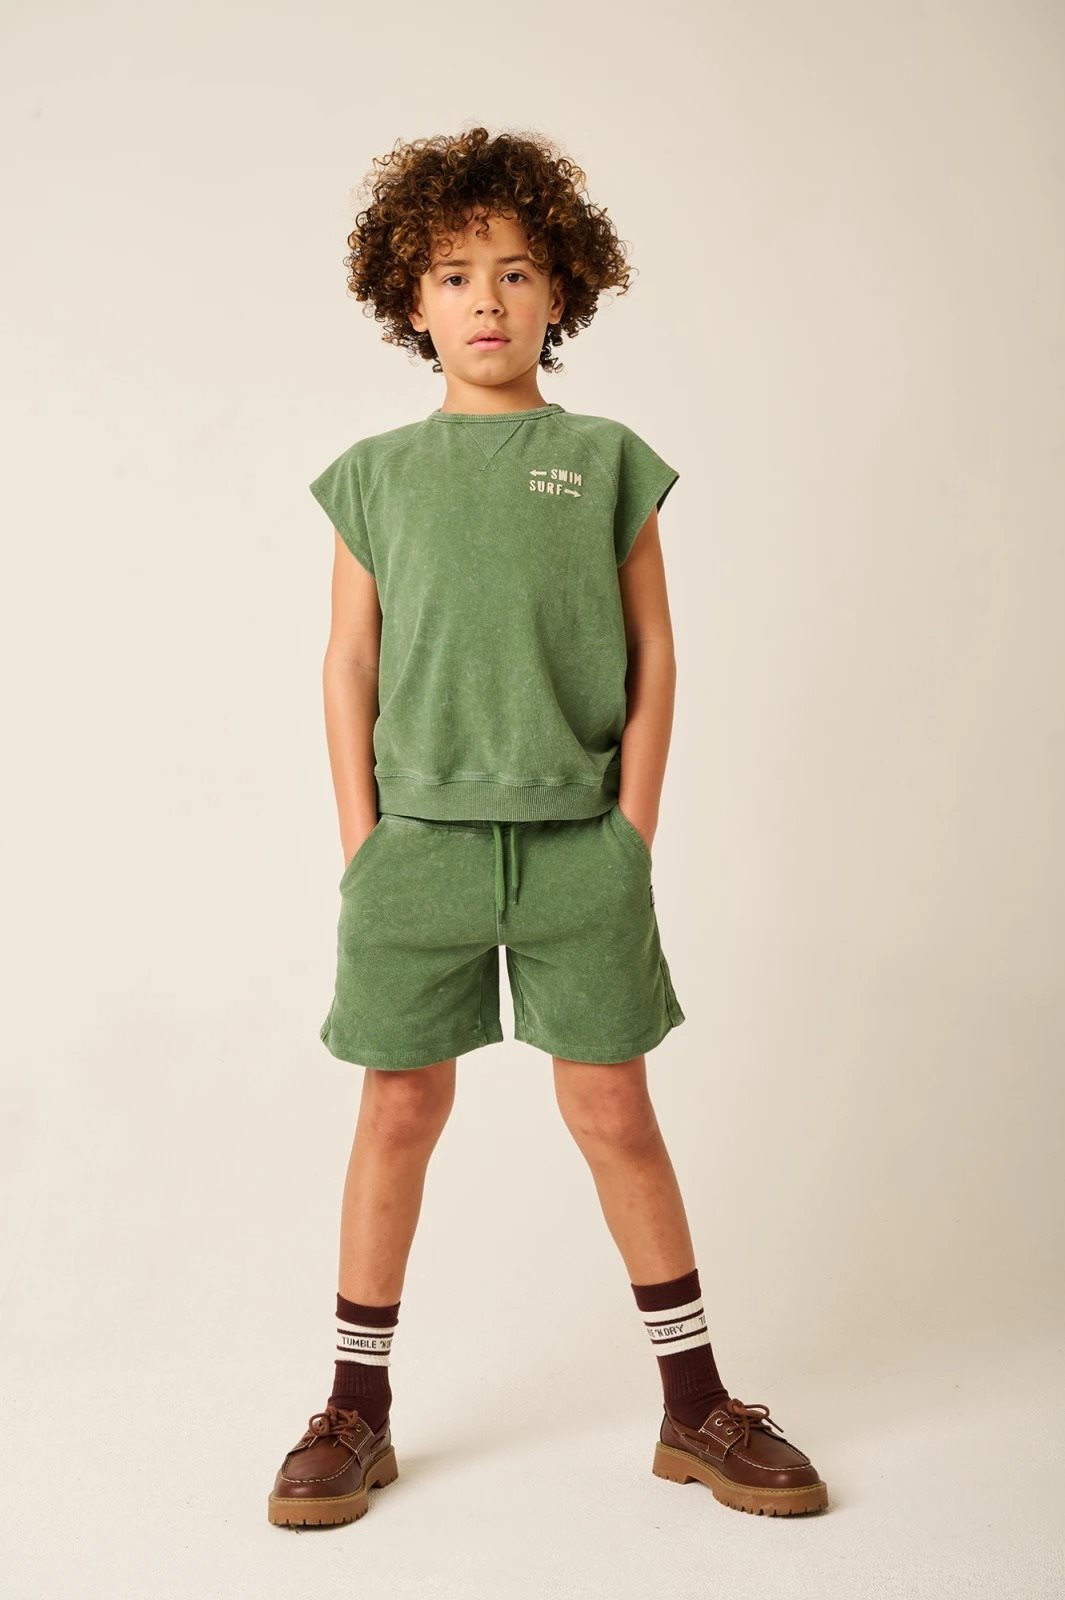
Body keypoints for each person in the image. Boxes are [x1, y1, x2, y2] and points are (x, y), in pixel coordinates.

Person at [268, 125, 828, 1527]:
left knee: (613, 1109)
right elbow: (347, 661)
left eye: (515, 272)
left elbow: (655, 653)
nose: (486, 301)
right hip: (417, 852)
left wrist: (631, 830)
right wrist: (363, 843)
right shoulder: (373, 476)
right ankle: (354, 1409)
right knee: (398, 1108)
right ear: (409, 302)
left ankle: (696, 1404)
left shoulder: (606, 460)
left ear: (559, 292)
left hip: (581, 848)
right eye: (454, 276)